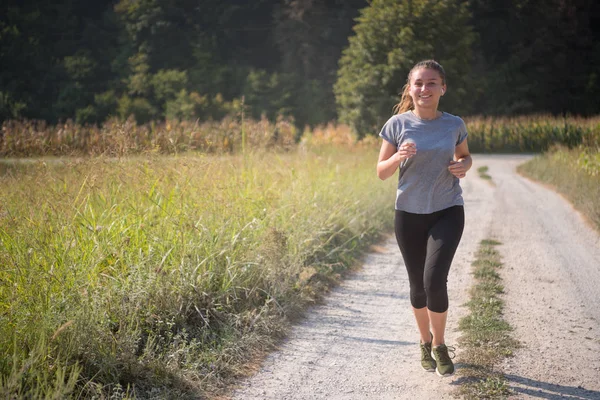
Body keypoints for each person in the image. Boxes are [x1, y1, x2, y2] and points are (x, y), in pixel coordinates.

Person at [376, 59, 472, 377]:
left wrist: (465, 166)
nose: (424, 88)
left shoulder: (454, 124)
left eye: (432, 83)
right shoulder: (397, 124)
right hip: (408, 214)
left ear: (442, 88)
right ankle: (424, 341)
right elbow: (380, 172)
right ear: (410, 88)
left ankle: (440, 345)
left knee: (434, 280)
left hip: (447, 210)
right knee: (417, 286)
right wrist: (397, 156)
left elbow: (464, 156)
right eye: (419, 83)